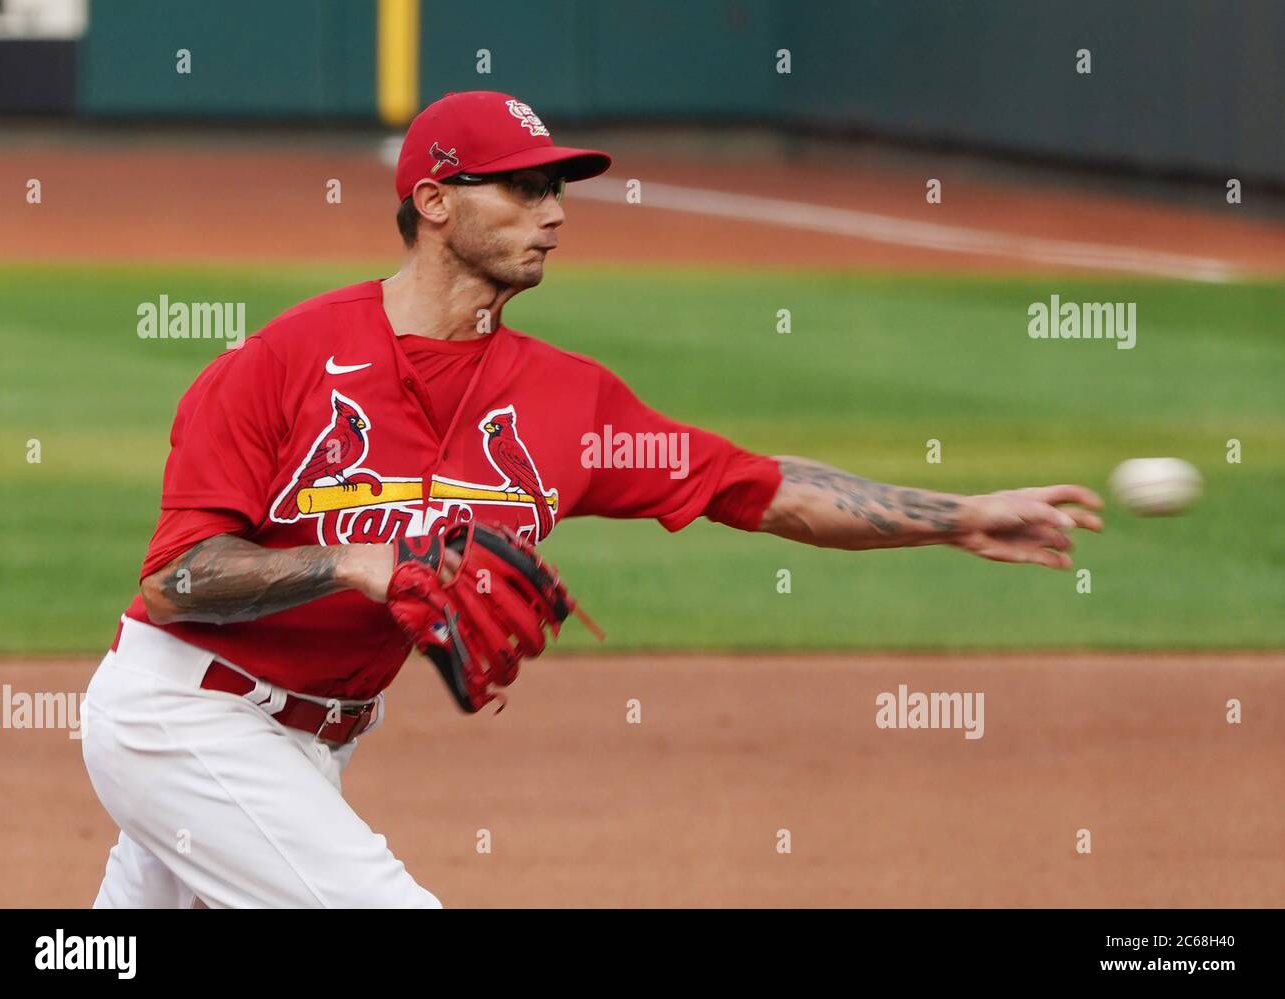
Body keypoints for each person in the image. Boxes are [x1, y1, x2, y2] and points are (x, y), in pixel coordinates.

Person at [82, 91, 1103, 908]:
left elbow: (763, 489)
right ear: (435, 200)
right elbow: (178, 581)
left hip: (310, 750)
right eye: (523, 189)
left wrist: (956, 516)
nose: (556, 212)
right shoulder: (280, 364)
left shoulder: (571, 401)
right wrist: (363, 563)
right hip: (184, 718)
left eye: (557, 189)